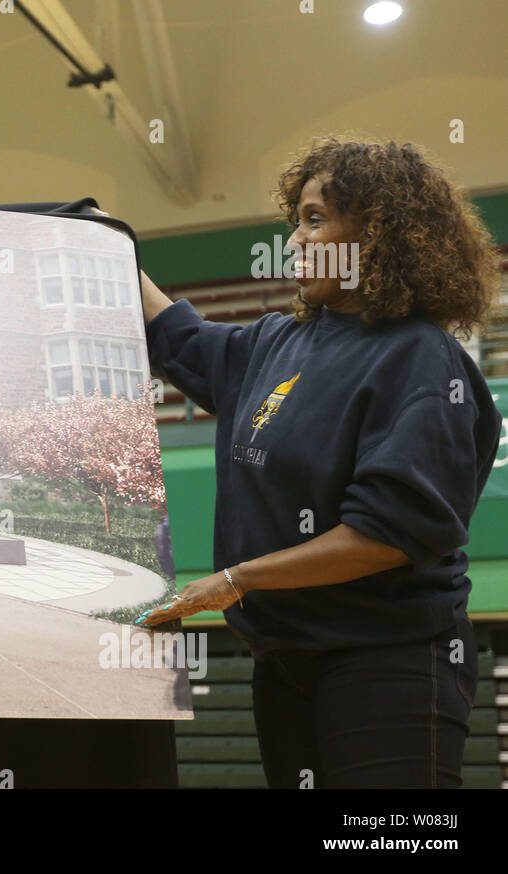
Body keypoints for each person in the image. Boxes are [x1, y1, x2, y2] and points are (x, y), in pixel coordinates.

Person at [135, 137, 503, 788]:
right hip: (285, 661)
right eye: (293, 222)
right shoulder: (277, 341)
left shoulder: (419, 357)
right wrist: (107, 247)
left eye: (314, 219)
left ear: (379, 233)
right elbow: (181, 340)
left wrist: (235, 579)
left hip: (388, 663)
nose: (296, 240)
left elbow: (386, 535)